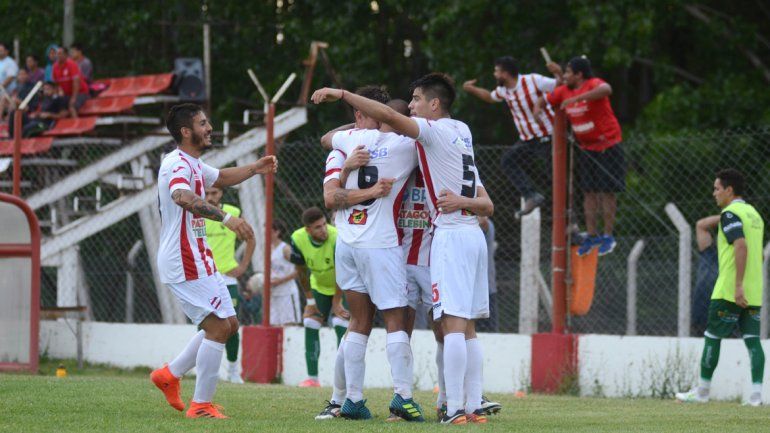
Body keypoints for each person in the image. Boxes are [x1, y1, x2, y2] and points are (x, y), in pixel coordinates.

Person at [312, 72, 495, 425]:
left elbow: (328, 145)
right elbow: (484, 204)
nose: (411, 108)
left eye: (417, 101)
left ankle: (345, 400)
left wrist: (344, 101)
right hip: (398, 248)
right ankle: (437, 402)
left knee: (362, 323)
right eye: (407, 105)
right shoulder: (444, 137)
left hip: (367, 243)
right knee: (442, 325)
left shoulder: (350, 143)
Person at [150, 103, 277, 419]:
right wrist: (225, 218)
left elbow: (220, 177)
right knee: (219, 327)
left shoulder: (194, 163)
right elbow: (181, 196)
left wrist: (254, 168)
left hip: (197, 257)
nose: (209, 128)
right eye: (203, 123)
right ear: (186, 131)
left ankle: (170, 375)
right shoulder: (175, 164)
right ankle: (201, 405)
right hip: (183, 259)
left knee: (229, 325)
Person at [320, 93, 428, 422]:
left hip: (347, 244)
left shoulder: (351, 139)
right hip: (380, 244)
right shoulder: (406, 144)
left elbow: (325, 138)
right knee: (395, 320)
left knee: (358, 321)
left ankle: (352, 400)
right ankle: (403, 398)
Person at [676, 169, 765, 406]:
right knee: (753, 341)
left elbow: (742, 246)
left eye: (717, 188)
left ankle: (702, 393)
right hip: (755, 290)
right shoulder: (754, 215)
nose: (714, 193)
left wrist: (737, 286)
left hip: (729, 290)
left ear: (729, 190)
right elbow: (758, 254)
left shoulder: (730, 213)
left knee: (712, 337)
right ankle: (756, 397)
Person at [536, 56, 625, 256]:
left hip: (608, 145)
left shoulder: (593, 84)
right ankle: (592, 235)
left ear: (579, 74)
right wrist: (536, 109)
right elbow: (544, 99)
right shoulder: (563, 90)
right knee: (589, 192)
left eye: (568, 72)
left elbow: (607, 89)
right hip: (587, 148)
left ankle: (608, 235)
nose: (565, 76)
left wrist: (578, 98)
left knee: (606, 191)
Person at [463, 56, 560, 217]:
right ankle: (531, 196)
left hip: (547, 137)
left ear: (505, 73)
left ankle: (571, 222)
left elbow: (560, 86)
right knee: (508, 160)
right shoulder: (504, 90)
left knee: (556, 180)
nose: (495, 75)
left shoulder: (534, 80)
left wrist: (557, 76)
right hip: (528, 139)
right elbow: (490, 97)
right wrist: (472, 89)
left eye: (497, 71)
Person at [289, 207, 349, 388]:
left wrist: (337, 302)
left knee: (341, 323)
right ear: (308, 230)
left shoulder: (337, 236)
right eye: (317, 227)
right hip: (320, 286)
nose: (323, 229)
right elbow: (301, 272)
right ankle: (312, 379)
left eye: (324, 224)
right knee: (310, 322)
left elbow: (342, 271)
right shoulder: (297, 239)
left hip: (344, 286)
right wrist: (310, 301)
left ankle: (344, 380)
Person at [203, 185, 257, 384]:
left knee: (231, 325)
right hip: (203, 278)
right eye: (206, 193)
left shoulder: (232, 213)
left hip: (227, 279)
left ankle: (234, 371)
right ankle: (207, 370)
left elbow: (251, 238)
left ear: (222, 193)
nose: (210, 197)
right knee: (204, 325)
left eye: (214, 193)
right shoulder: (195, 214)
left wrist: (243, 266)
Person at [268, 219, 301, 326]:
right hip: (273, 294)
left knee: (289, 326)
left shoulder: (285, 249)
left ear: (277, 232)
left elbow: (299, 270)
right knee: (274, 326)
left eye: (268, 230)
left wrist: (280, 281)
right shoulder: (268, 248)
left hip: (287, 293)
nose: (265, 232)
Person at [692, 215, 720, 335]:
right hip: (702, 313)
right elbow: (701, 225)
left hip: (726, 313)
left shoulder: (737, 257)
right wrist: (730, 215)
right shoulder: (708, 253)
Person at [52, 46, 89, 118]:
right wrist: (57, 94)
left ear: (65, 55)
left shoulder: (71, 64)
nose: (58, 56)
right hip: (67, 94)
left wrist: (74, 97)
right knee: (57, 105)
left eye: (60, 54)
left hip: (80, 92)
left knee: (72, 105)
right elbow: (55, 83)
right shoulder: (55, 67)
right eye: (57, 54)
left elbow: (76, 82)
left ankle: (77, 125)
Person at [475, 216, 499, 332]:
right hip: (466, 291)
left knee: (489, 332)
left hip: (486, 291)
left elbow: (484, 222)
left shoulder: (486, 225)